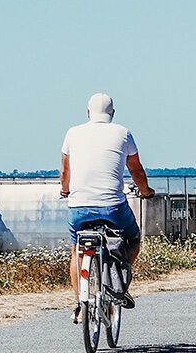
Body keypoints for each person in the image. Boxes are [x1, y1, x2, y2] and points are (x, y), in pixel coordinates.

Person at [60, 93, 155, 323]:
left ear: (88, 112)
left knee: (76, 250)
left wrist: (65, 191)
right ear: (112, 113)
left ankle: (81, 306)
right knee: (133, 239)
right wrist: (145, 191)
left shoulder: (72, 133)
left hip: (79, 207)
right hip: (112, 207)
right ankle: (119, 282)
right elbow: (136, 171)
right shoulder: (123, 133)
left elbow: (65, 173)